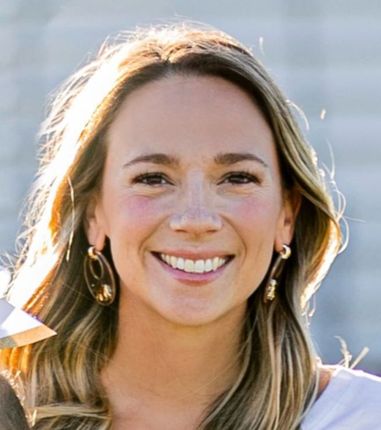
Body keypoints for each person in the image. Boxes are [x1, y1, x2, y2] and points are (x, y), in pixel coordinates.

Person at [0, 22, 380, 430]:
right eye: (152, 178)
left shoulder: (362, 417)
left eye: (238, 178)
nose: (197, 219)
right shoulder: (15, 406)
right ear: (94, 214)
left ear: (286, 217)